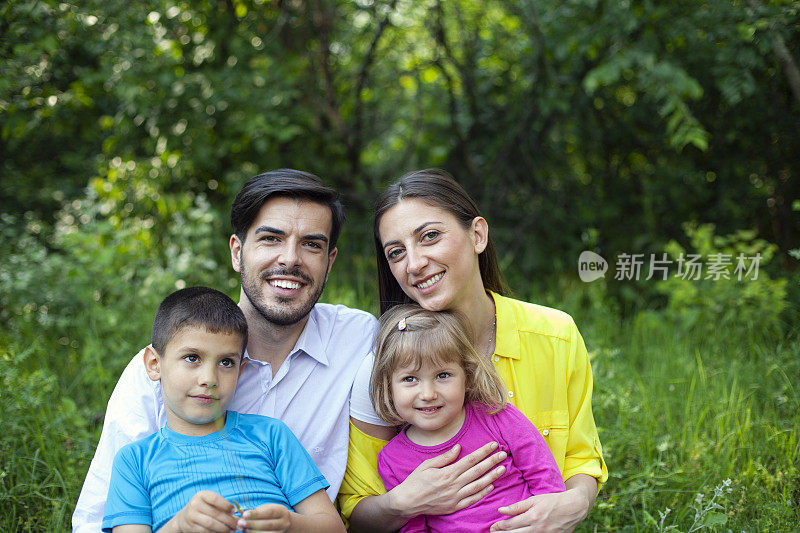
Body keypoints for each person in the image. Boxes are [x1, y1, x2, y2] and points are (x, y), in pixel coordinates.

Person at [74, 169, 392, 532]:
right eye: (271, 239)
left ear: (330, 261)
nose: (291, 259)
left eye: (311, 244)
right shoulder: (160, 371)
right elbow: (94, 519)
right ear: (237, 252)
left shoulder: (359, 338)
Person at [340, 168, 608, 532]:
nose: (414, 264)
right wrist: (403, 502)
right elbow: (357, 513)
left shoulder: (555, 335)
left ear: (478, 234)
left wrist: (571, 504)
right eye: (396, 252)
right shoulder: (384, 367)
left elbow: (580, 459)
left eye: (430, 236)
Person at [102, 286, 344, 533]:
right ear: (154, 364)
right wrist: (179, 526)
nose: (209, 378)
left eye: (226, 362)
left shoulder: (271, 435)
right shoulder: (134, 461)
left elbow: (334, 527)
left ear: (240, 372)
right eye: (192, 358)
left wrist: (291, 524)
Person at [370, 304, 566, 532]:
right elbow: (413, 527)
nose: (428, 394)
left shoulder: (497, 417)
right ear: (388, 387)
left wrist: (547, 521)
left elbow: (544, 475)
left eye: (443, 375)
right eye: (410, 379)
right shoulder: (392, 460)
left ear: (468, 377)